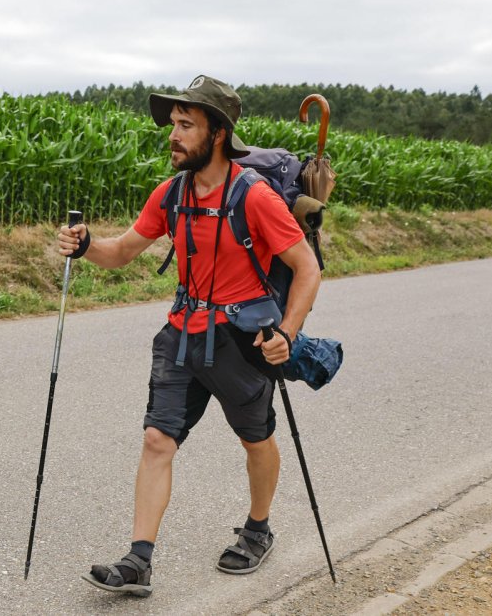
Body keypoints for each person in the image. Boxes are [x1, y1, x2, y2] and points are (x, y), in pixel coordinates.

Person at [57, 75, 321, 597]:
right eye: (172, 125)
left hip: (242, 341)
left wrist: (287, 333)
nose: (173, 136)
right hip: (181, 334)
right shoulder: (172, 193)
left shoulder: (256, 197)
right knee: (157, 440)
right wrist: (86, 245)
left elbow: (306, 268)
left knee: (256, 438)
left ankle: (258, 528)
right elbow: (123, 250)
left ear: (217, 133)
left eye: (185, 125)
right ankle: (138, 562)